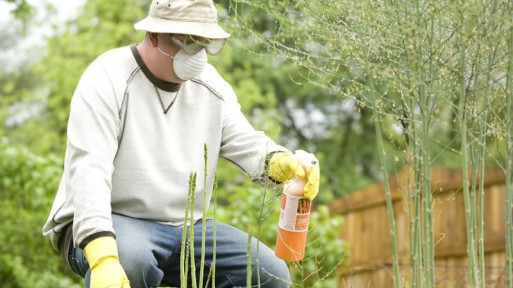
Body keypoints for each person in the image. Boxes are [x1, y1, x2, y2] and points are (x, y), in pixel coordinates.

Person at [42, 0, 320, 287]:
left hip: (186, 229)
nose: (197, 54)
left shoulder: (210, 86)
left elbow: (246, 143)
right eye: (188, 41)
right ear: (154, 35)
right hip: (108, 222)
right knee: (131, 261)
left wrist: (282, 162)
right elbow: (89, 171)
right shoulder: (108, 77)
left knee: (268, 273)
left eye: (204, 43)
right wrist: (102, 256)